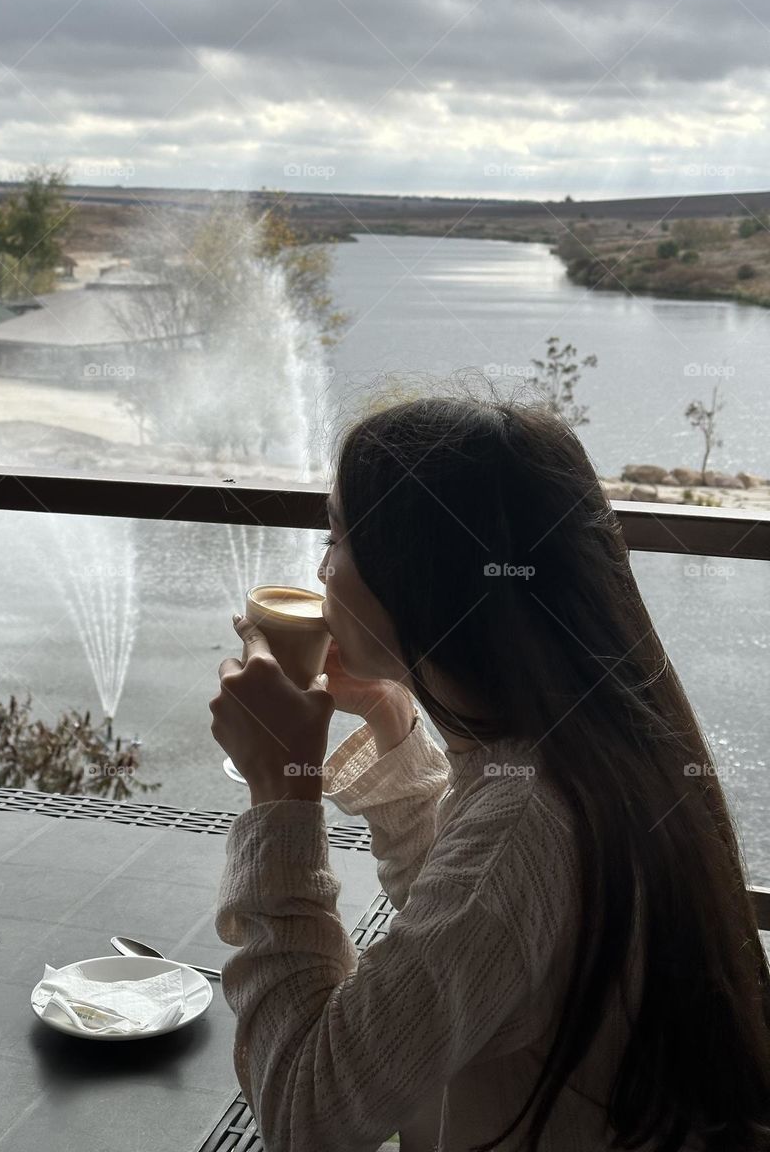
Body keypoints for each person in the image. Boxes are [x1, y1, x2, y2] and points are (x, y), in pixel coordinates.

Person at [208, 391, 770, 1152]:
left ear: (422, 576)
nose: (319, 566)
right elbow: (467, 952)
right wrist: (391, 713)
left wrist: (283, 790)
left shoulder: (530, 819)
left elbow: (308, 1110)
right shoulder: (578, 746)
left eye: (337, 534)